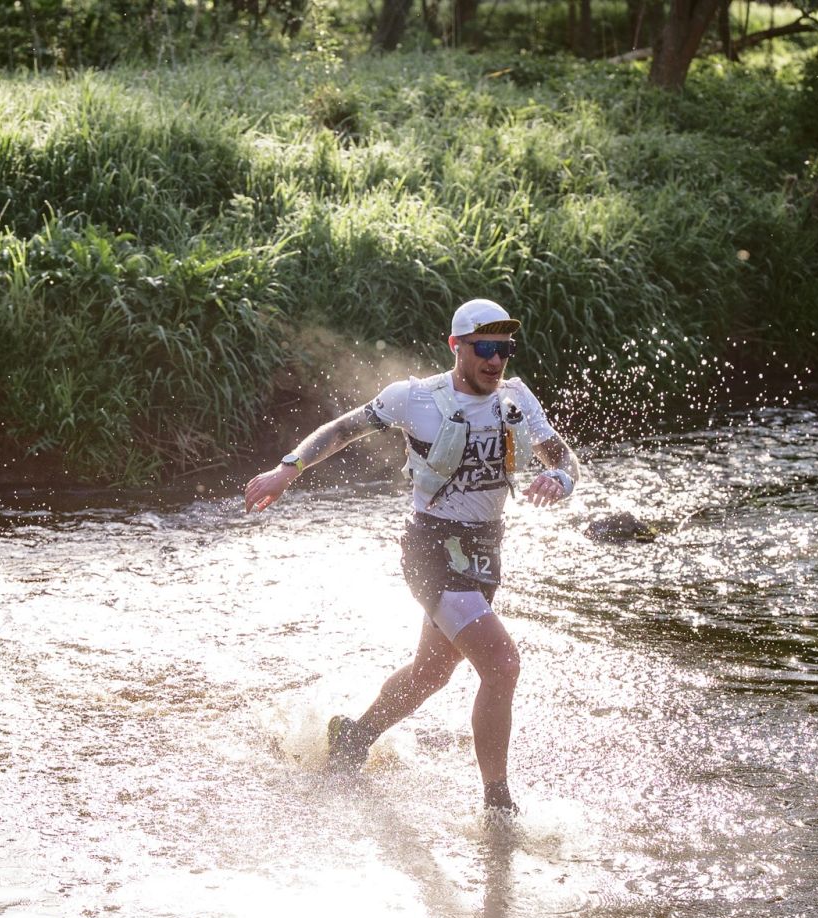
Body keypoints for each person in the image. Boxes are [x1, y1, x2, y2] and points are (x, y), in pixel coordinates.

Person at [244, 298, 580, 813]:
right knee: (502, 664)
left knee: (430, 673)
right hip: (430, 551)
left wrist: (559, 478)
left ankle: (354, 738)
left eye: (505, 349)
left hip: (486, 553)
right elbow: (342, 429)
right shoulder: (415, 398)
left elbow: (562, 457)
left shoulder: (515, 399)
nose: (496, 360)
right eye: (485, 348)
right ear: (457, 347)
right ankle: (498, 803)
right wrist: (288, 469)